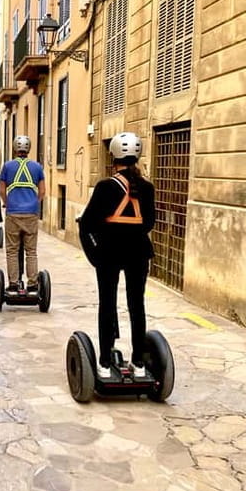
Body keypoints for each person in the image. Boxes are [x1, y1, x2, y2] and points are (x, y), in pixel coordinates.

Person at [78, 132, 155, 379]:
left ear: (113, 158)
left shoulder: (104, 187)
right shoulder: (147, 188)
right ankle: (140, 365)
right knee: (137, 306)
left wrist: (95, 255)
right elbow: (149, 224)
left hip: (109, 253)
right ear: (137, 157)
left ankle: (103, 362)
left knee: (107, 305)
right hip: (139, 253)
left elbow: (87, 223)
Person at [0, 135, 46, 292]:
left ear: (14, 148)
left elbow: (2, 190)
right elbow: (42, 191)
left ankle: (13, 283)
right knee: (31, 251)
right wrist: (34, 203)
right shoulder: (37, 167)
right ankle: (32, 283)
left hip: (13, 213)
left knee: (12, 251)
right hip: (30, 213)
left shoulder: (7, 166)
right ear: (29, 149)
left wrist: (7, 202)